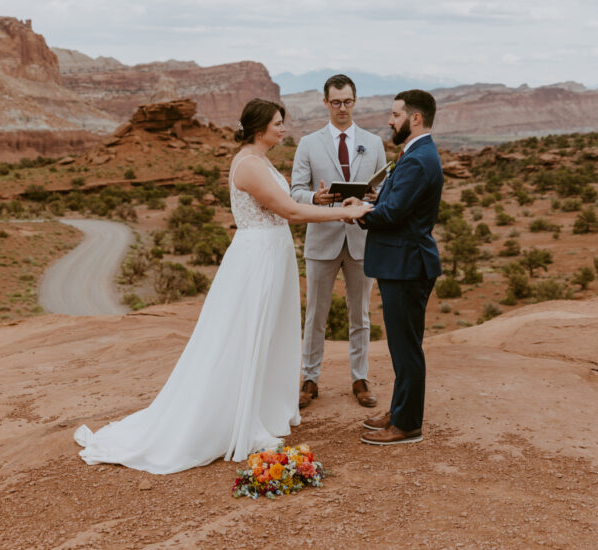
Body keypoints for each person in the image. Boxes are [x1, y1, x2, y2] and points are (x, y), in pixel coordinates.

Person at [74, 98, 370, 474]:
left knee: (268, 332)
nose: (283, 128)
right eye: (278, 123)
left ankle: (260, 408)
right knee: (245, 334)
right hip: (257, 260)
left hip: (270, 254)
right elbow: (291, 212)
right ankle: (233, 417)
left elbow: (288, 203)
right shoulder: (248, 165)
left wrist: (319, 198)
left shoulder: (258, 160)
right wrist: (346, 211)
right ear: (260, 127)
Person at [348, 89, 443, 446]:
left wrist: (358, 211)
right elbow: (394, 202)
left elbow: (392, 214)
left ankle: (407, 424)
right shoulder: (415, 153)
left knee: (406, 348)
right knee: (403, 345)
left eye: (395, 114)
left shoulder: (418, 159)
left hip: (407, 264)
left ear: (415, 118)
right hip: (402, 262)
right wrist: (373, 200)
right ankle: (399, 409)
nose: (390, 120)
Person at [290, 74, 387, 411]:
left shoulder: (373, 143)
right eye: (335, 102)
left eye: (347, 102)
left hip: (361, 239)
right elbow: (295, 191)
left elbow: (385, 190)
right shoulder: (308, 143)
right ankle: (309, 379)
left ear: (355, 101)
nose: (342, 108)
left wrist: (376, 195)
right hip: (322, 240)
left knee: (360, 315)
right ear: (325, 103)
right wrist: (314, 198)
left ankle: (360, 378)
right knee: (316, 313)